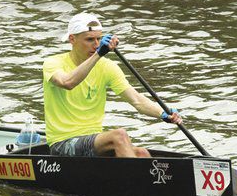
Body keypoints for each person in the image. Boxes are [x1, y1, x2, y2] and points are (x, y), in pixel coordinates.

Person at [42, 12, 182, 158]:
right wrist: (99, 55)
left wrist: (162, 113)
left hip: (93, 140)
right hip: (63, 144)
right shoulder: (53, 63)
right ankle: (134, 179)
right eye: (90, 39)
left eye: (98, 39)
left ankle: (141, 179)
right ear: (72, 39)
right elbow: (67, 82)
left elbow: (137, 100)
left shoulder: (107, 67)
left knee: (141, 153)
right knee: (119, 135)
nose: (96, 45)